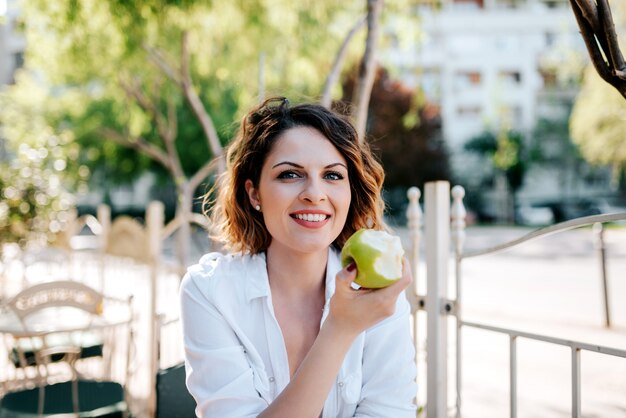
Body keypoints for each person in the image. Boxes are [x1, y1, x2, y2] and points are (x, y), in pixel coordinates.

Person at [179, 97, 417, 418]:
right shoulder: (209, 292)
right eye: (290, 175)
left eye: (333, 176)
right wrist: (339, 329)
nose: (315, 194)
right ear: (254, 194)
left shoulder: (379, 297)